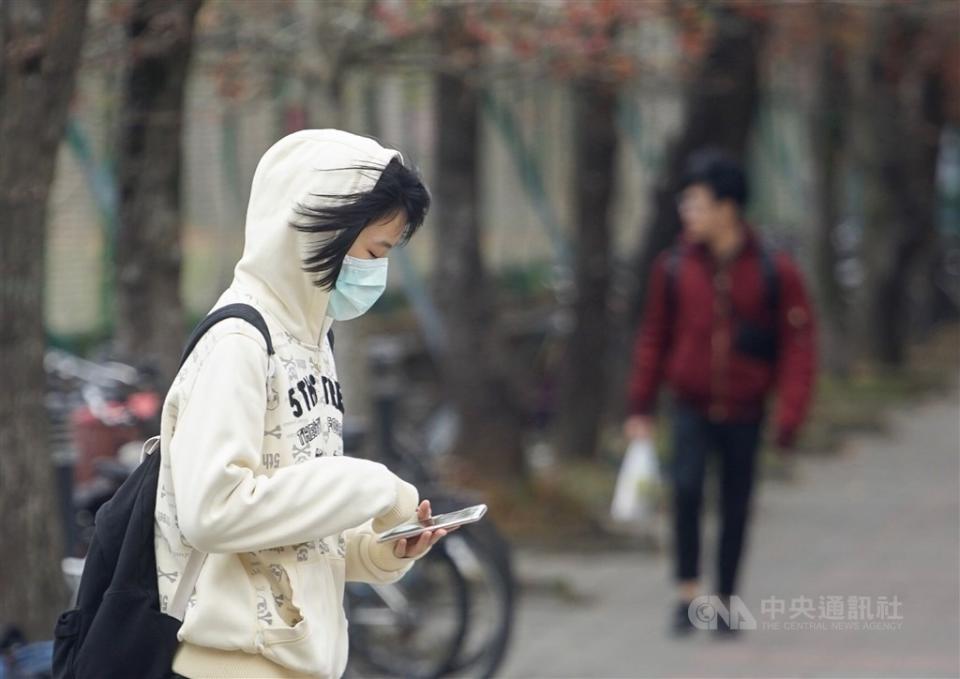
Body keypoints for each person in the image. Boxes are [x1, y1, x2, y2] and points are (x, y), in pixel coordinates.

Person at [156, 129, 445, 678]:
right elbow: (213, 512)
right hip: (234, 663)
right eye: (373, 251)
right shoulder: (240, 340)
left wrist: (385, 549)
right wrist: (372, 486)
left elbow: (299, 529)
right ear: (320, 231)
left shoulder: (312, 342)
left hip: (298, 660)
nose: (375, 271)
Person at [624, 149, 816, 637]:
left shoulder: (775, 269)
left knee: (735, 503)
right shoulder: (671, 268)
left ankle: (726, 599)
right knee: (685, 492)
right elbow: (653, 338)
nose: (689, 214)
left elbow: (798, 346)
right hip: (688, 404)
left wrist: (790, 415)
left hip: (745, 409)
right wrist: (640, 405)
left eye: (698, 204)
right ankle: (688, 592)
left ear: (728, 208)